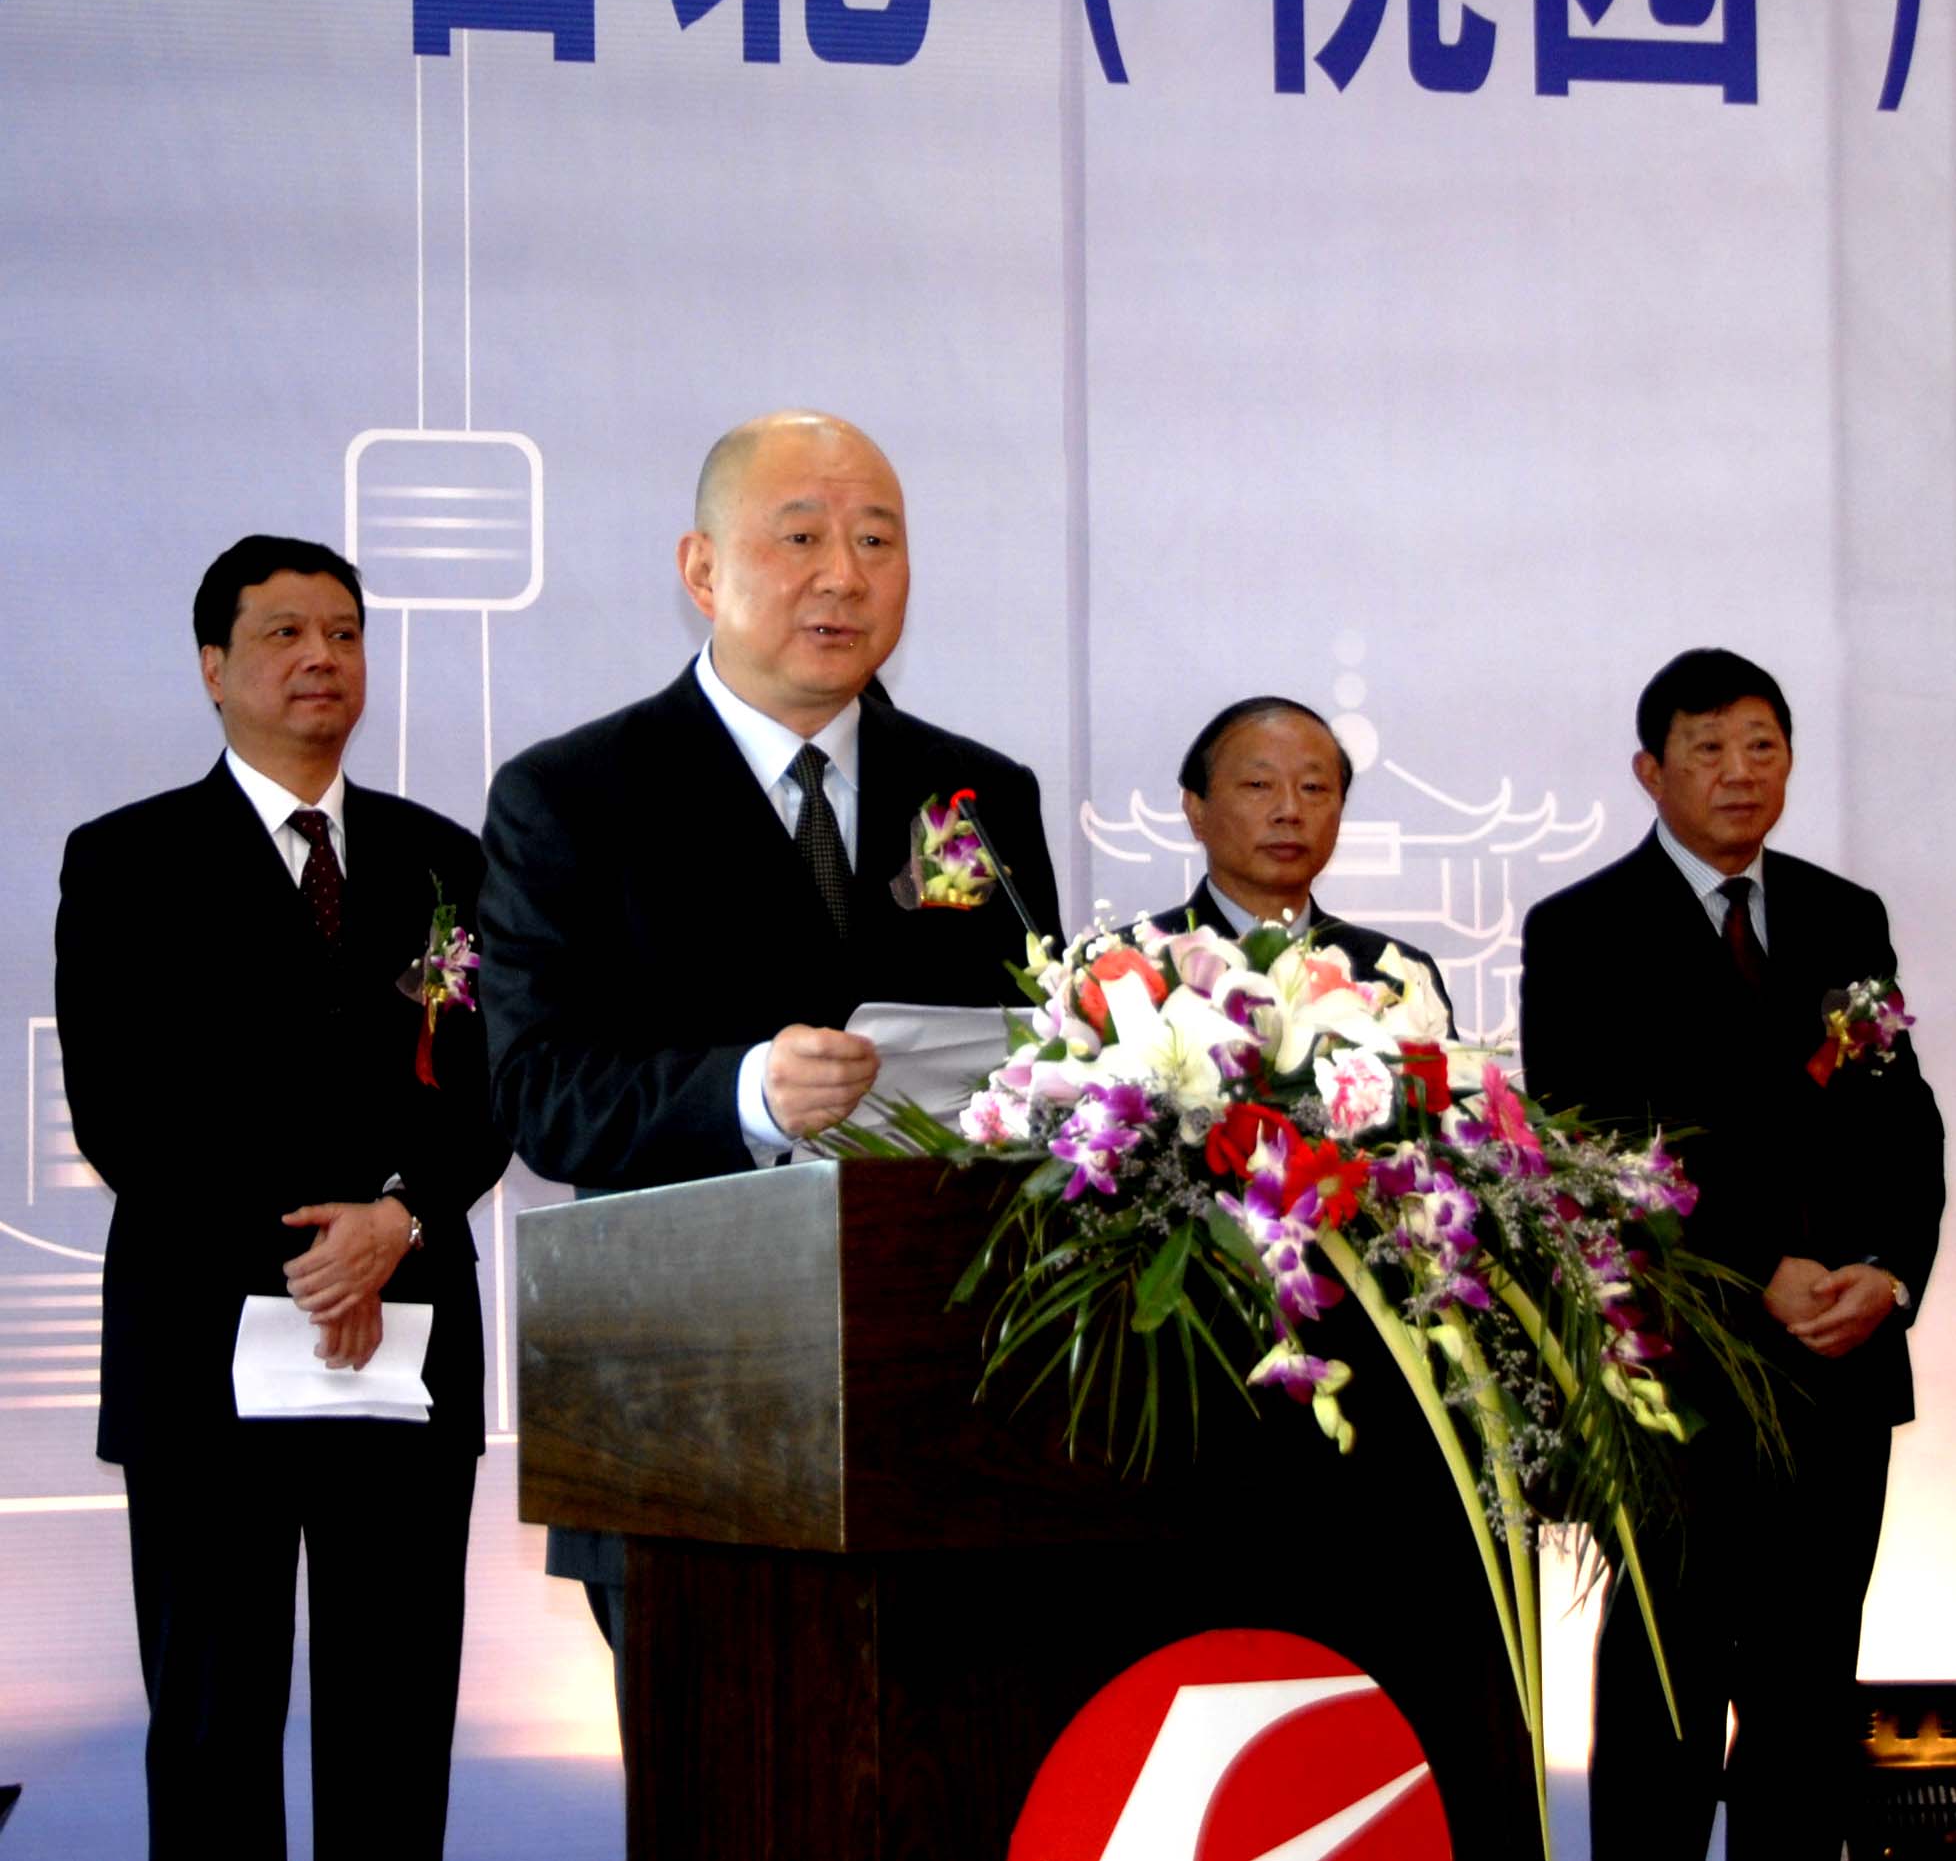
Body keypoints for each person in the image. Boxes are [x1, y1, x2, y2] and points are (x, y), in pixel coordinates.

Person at [479, 409, 1062, 1647]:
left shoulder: (977, 795)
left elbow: (1042, 1063)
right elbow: (538, 1091)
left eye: (876, 540)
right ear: (701, 570)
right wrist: (746, 1091)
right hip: (685, 1409)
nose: (843, 575)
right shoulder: (573, 795)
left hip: (950, 1418)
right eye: (801, 537)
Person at [54, 535, 509, 1860]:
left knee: (394, 1724)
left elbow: (493, 1085)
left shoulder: (447, 862)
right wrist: (316, 1252)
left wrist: (394, 1222)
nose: (323, 657)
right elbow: (123, 1113)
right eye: (285, 633)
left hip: (404, 1348)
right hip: (206, 1355)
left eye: (345, 634)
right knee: (213, 1727)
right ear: (213, 665)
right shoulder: (126, 858)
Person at [1519, 647, 1942, 1861]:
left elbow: (1903, 1120)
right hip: (1683, 1376)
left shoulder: (1845, 915)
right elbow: (1593, 1149)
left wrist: (1889, 1270)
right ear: (1649, 771)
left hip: (1840, 1369)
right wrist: (1759, 1268)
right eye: (1707, 749)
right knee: (1668, 1688)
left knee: (1808, 1699)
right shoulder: (1582, 929)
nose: (1739, 772)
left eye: (1762, 745)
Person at [1157, 694, 1452, 1018]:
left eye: (1312, 787)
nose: (1290, 811)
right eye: (1259, 784)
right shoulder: (1134, 971)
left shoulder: (1397, 980)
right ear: (1196, 810)